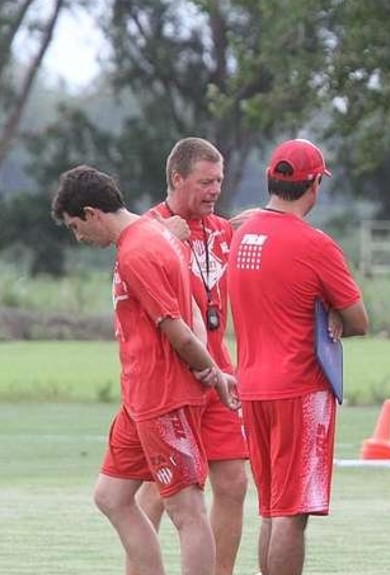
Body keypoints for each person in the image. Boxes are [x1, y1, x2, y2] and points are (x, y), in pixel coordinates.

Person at [51, 165, 238, 575]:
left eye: (75, 227)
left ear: (92, 213)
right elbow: (191, 308)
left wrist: (212, 373)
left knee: (187, 510)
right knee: (111, 496)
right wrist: (210, 368)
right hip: (139, 399)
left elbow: (179, 330)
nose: (78, 237)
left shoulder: (139, 251)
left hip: (163, 399)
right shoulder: (158, 234)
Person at [227, 138, 370, 575]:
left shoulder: (242, 234)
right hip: (300, 389)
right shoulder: (315, 244)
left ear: (270, 179)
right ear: (315, 186)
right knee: (293, 513)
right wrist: (334, 314)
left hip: (252, 388)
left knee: (271, 510)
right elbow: (359, 320)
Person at [134, 137, 248, 575]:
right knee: (160, 491)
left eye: (219, 181)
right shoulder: (149, 231)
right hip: (172, 381)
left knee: (234, 482)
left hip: (220, 377)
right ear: (177, 178)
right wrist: (168, 239)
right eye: (205, 182)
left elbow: (259, 228)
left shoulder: (221, 230)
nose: (215, 189)